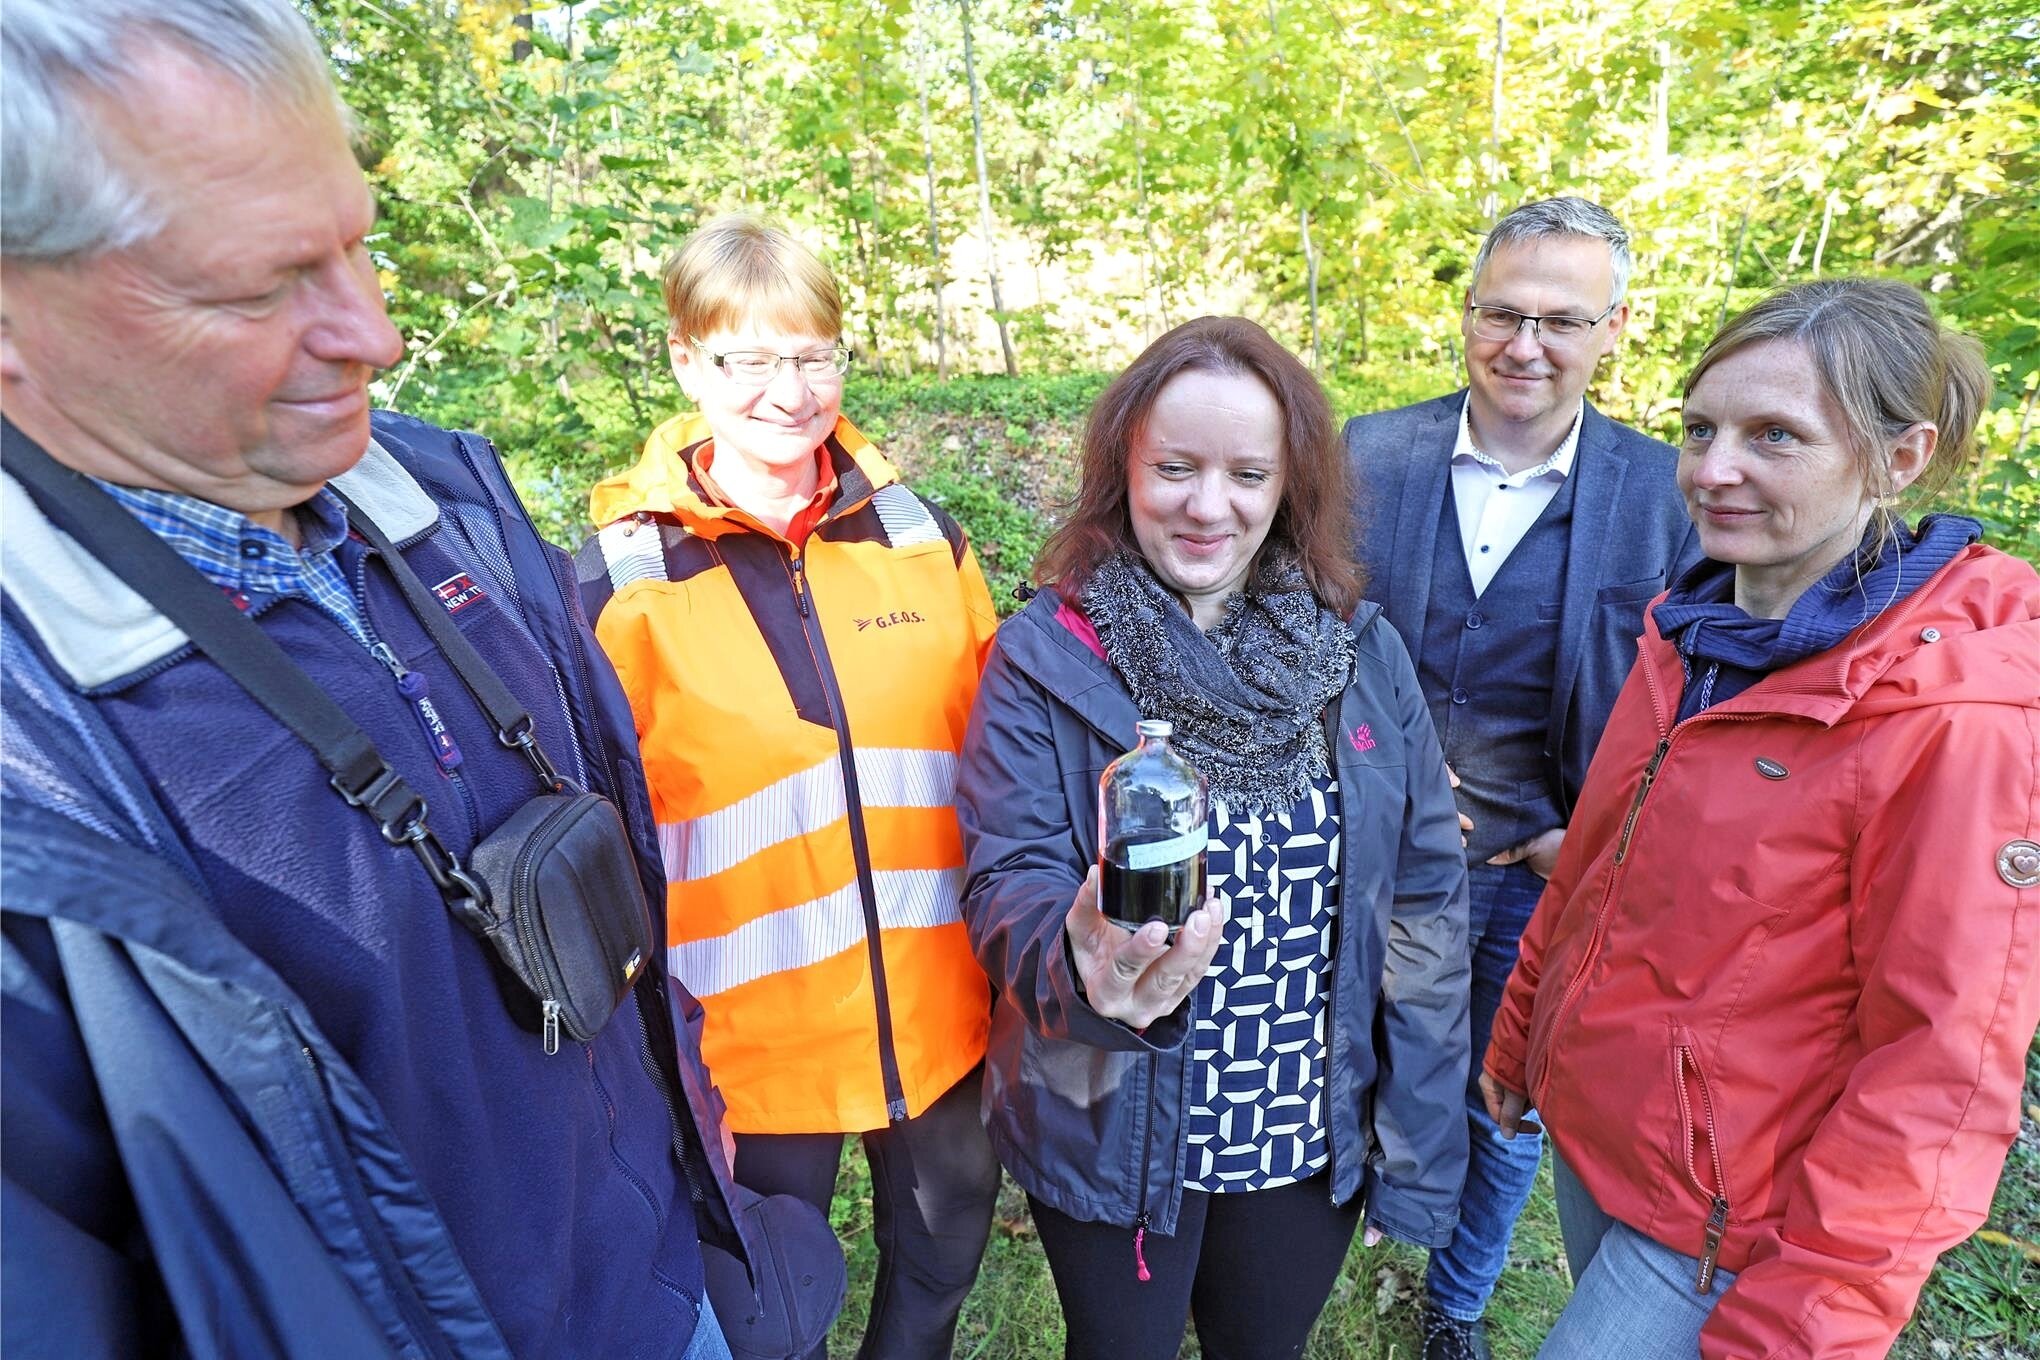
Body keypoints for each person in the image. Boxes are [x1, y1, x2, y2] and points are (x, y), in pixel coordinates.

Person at [0, 3, 788, 1356]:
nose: (374, 332)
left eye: (358, 241)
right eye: (263, 286)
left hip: (670, 1297)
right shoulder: (37, 777)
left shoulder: (441, 496)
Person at [1483, 277, 2040, 1359]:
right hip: (1608, 1137)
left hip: (1737, 1223)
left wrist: (1806, 1322)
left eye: (1773, 436)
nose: (1712, 469)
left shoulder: (1954, 717)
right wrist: (1523, 1036)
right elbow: (1601, 859)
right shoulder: (1695, 626)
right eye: (1701, 428)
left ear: (1901, 457)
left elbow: (1941, 1064)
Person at [956, 315, 1471, 1360]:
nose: (1208, 505)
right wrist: (1077, 958)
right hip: (1113, 1118)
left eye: (1247, 472)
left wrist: (1416, 1144)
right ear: (1123, 470)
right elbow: (1007, 874)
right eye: (1175, 468)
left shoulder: (1357, 653)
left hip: (1299, 1130)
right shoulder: (1046, 656)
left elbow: (1423, 904)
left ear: (1291, 483)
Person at [576, 213, 1002, 1360]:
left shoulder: (921, 539)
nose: (788, 389)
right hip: (745, 1042)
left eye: (814, 353)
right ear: (684, 361)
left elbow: (999, 755)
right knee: (770, 1309)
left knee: (946, 1248)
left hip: (935, 1010)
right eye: (748, 359)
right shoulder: (618, 581)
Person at [1340, 196, 1699, 1360]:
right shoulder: (1365, 456)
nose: (1526, 344)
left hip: (1543, 872)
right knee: (1345, 1052)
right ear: (1467, 313)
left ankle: (1457, 1300)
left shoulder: (1669, 495)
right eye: (1503, 311)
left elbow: (1699, 704)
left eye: (1562, 318)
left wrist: (1594, 834)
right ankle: (1306, 1236)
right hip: (1368, 848)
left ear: (1615, 328)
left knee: (1508, 1103)